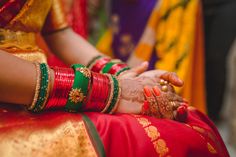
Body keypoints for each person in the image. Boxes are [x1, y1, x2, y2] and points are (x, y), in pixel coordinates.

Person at [0, 0, 229, 156]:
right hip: (14, 97)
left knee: (190, 126)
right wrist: (110, 91)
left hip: (43, 87)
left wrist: (124, 75)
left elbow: (58, 32)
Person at [95, 0, 206, 113]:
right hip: (122, 91)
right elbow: (110, 44)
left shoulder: (175, 4)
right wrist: (118, 81)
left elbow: (175, 64)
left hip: (153, 91)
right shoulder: (117, 3)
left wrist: (156, 88)